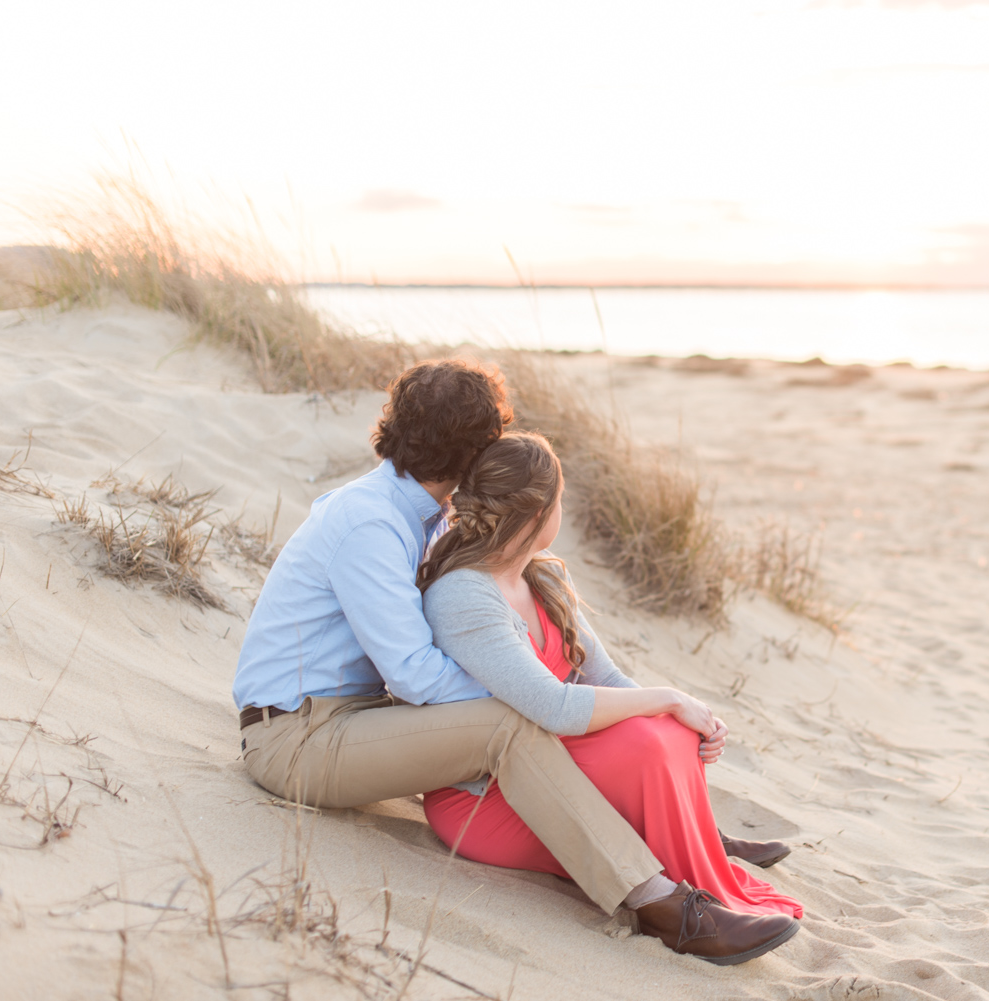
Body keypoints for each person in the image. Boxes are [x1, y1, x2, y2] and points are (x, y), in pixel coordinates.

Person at [232, 359, 796, 964]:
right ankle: (659, 904)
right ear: (475, 452)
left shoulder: (419, 516)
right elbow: (415, 674)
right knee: (512, 724)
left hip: (355, 718)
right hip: (297, 739)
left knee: (539, 716)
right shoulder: (371, 522)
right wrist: (540, 699)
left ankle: (685, 835)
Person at [415, 431, 803, 951]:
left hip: (548, 754)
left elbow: (612, 684)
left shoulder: (539, 578)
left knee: (666, 732)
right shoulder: (464, 595)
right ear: (536, 515)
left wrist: (687, 719)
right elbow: (553, 708)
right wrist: (667, 699)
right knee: (648, 737)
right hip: (491, 794)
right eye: (560, 500)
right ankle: (681, 886)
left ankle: (695, 840)